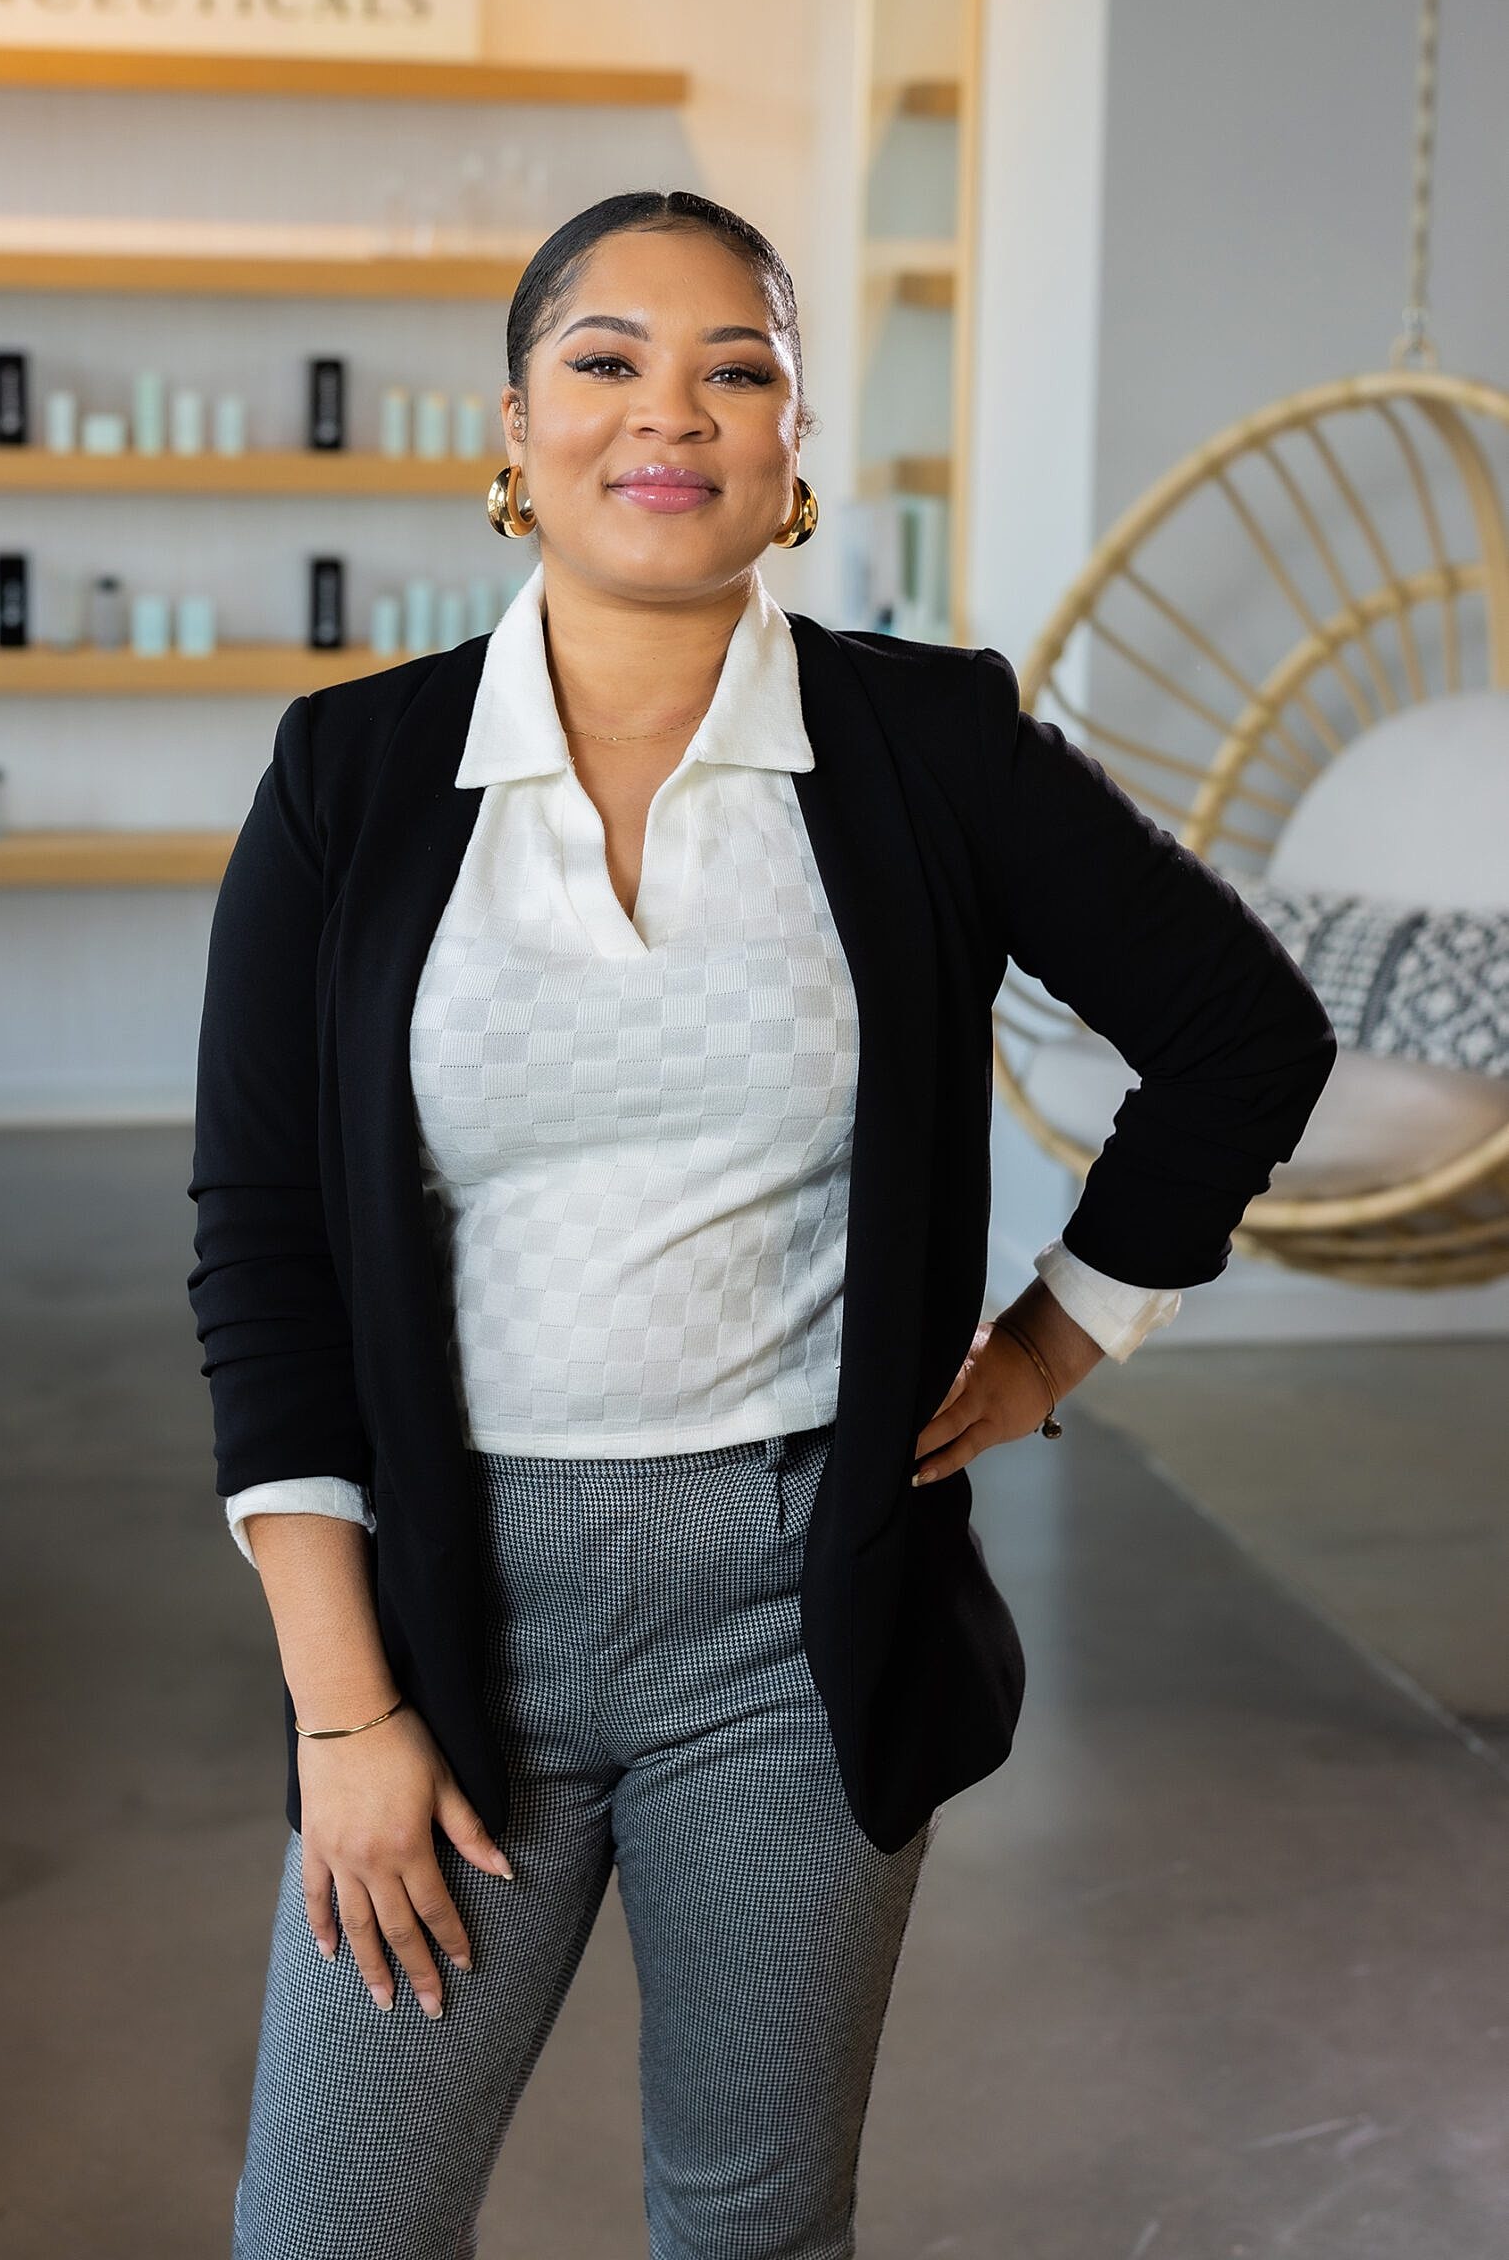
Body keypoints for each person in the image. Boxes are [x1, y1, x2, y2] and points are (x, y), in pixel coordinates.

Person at [186, 189, 1337, 2259]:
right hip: (448, 1608)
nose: (673, 412)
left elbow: (1237, 1030)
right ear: (514, 420)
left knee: (749, 2224)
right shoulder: (348, 775)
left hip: (792, 1616)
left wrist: (1062, 1339)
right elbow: (259, 1244)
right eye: (608, 360)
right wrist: (344, 1713)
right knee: (327, 2224)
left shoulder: (928, 743)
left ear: (796, 445)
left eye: (739, 368)